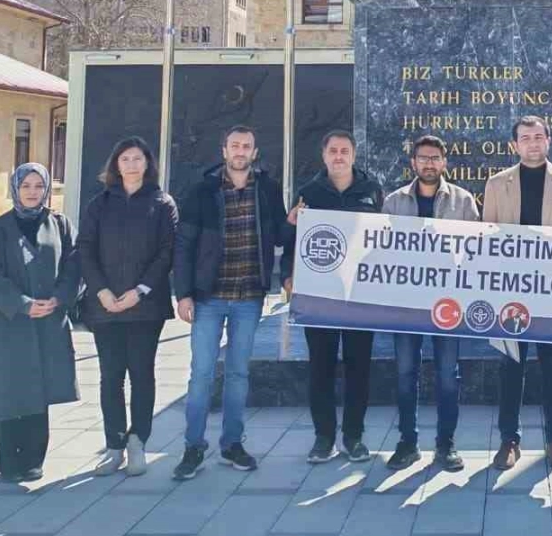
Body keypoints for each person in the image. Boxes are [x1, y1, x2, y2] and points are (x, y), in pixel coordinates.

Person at [172, 125, 292, 480]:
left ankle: (232, 444)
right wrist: (183, 293)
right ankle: (193, 446)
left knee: (238, 374)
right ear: (224, 150)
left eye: (247, 146)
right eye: (235, 145)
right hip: (208, 297)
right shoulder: (202, 190)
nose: (240, 151)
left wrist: (292, 223)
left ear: (255, 152)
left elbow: (279, 236)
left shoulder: (267, 189)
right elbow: (184, 245)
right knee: (201, 374)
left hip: (249, 297)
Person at [483, 115, 552, 473]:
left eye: (538, 137)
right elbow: (488, 237)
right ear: (514, 144)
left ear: (548, 141)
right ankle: (509, 440)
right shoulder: (497, 183)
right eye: (525, 138)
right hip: (511, 291)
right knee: (510, 365)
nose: (532, 143)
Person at [78, 136, 177, 477]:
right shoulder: (99, 204)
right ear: (115, 165)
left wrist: (140, 290)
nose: (131, 165)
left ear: (147, 164)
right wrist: (101, 291)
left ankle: (138, 442)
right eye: (125, 159)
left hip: (145, 306)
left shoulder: (162, 203)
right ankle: (114, 445)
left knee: (141, 373)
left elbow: (167, 251)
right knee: (110, 376)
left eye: (137, 159)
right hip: (104, 305)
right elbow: (85, 249)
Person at [383, 135, 480, 472]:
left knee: (448, 374)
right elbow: (382, 251)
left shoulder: (463, 201)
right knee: (405, 373)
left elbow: (476, 252)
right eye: (423, 158)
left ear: (444, 163)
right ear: (413, 162)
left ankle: (446, 444)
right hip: (406, 304)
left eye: (435, 158)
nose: (429, 163)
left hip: (447, 302)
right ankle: (407, 443)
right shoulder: (394, 202)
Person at [0, 162, 81, 482]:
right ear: (15, 189)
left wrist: (59, 298)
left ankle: (34, 459)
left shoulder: (60, 225)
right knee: (10, 390)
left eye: (39, 186)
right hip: (11, 322)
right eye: (26, 186)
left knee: (40, 389)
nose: (32, 192)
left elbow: (74, 267)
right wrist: (22, 304)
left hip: (48, 319)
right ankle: (9, 461)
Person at [289, 129, 385, 464]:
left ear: (354, 155)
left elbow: (386, 239)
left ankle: (353, 437)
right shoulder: (309, 191)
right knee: (321, 367)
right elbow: (293, 239)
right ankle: (324, 438)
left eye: (345, 151)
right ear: (324, 155)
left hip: (361, 294)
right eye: (333, 151)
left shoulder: (372, 190)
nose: (339, 156)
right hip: (320, 295)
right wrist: (288, 276)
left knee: (359, 368)